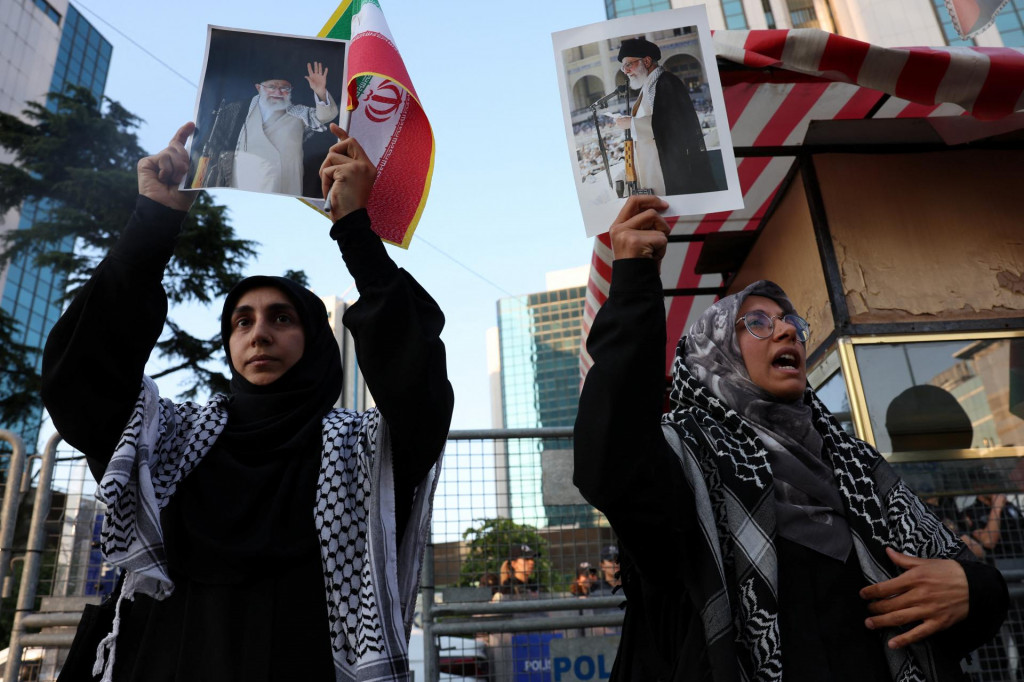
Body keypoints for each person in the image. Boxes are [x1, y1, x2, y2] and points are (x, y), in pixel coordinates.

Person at [41, 121, 453, 681]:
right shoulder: (167, 441)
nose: (258, 334)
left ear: (315, 340)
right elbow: (82, 381)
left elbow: (418, 383)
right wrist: (154, 221)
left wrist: (355, 229)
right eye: (241, 321)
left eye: (281, 319)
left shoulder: (364, 452)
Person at [573, 195, 1008, 682]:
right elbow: (611, 460)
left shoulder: (853, 465)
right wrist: (633, 281)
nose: (785, 330)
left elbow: (972, 584)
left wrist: (971, 589)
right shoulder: (683, 464)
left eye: (791, 323)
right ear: (712, 359)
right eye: (756, 323)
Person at [193, 61, 339, 197]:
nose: (278, 92)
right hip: (245, 183)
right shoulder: (238, 111)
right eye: (272, 87)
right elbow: (215, 147)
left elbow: (326, 115)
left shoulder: (298, 113)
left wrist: (320, 91)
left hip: (285, 185)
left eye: (285, 88)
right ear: (259, 88)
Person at [614, 38, 716, 197]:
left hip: (669, 168)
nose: (625, 71)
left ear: (646, 61)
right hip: (653, 167)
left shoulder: (666, 82)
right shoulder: (648, 85)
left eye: (629, 64)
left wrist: (632, 123)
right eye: (623, 67)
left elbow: (671, 124)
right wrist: (632, 121)